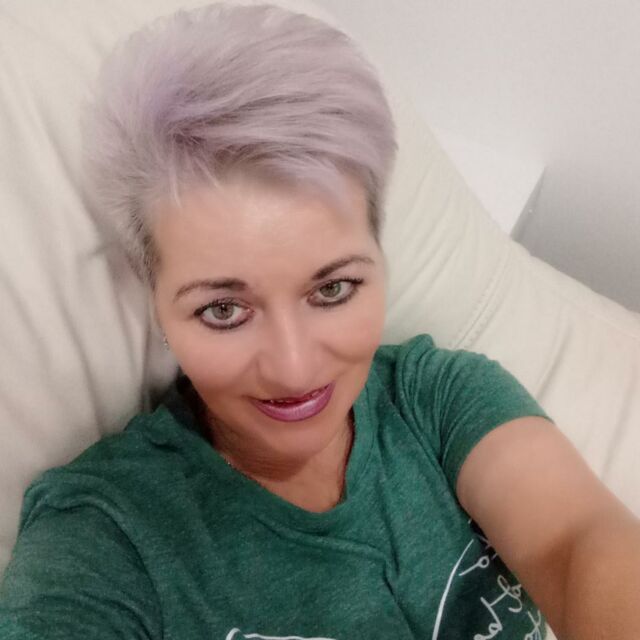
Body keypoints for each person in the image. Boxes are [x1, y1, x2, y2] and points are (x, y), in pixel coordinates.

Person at [0, 3, 638, 639]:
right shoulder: (105, 535)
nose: (294, 368)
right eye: (223, 309)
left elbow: (575, 544)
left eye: (332, 289)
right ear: (158, 306)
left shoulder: (442, 400)